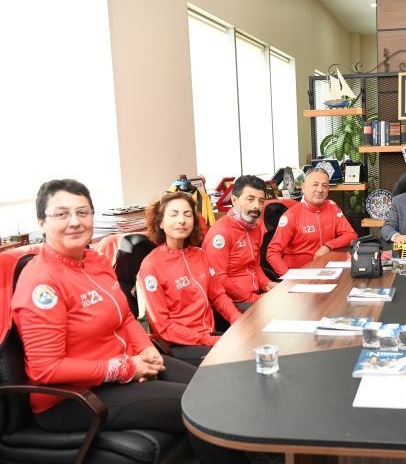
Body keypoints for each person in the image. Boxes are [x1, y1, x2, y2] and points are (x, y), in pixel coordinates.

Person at [11, 179, 196, 434]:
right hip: (72, 399)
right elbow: (47, 368)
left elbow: (125, 317)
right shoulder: (41, 281)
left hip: (122, 369)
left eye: (83, 212)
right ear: (41, 222)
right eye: (61, 214)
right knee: (198, 404)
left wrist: (145, 348)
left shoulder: (96, 260)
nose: (75, 221)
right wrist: (126, 368)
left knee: (208, 385)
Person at [137, 191, 242, 366]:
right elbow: (163, 326)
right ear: (160, 222)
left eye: (187, 214)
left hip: (208, 335)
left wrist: (238, 320)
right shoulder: (151, 265)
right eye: (174, 214)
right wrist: (209, 340)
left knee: (252, 344)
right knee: (239, 358)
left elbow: (218, 296)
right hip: (180, 345)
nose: (182, 220)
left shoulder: (200, 255)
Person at [267, 168, 357, 276]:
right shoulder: (291, 215)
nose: (320, 190)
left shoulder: (332, 207)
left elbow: (351, 234)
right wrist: (288, 278)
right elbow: (273, 253)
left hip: (327, 271)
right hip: (300, 275)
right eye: (315, 185)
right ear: (303, 187)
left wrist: (327, 246)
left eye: (324, 186)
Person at [203, 175, 276, 304]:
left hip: (255, 295)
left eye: (261, 201)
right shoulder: (220, 233)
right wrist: (253, 299)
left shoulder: (255, 226)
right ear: (234, 200)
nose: (256, 206)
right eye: (250, 199)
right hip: (232, 302)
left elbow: (254, 265)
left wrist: (266, 283)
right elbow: (219, 279)